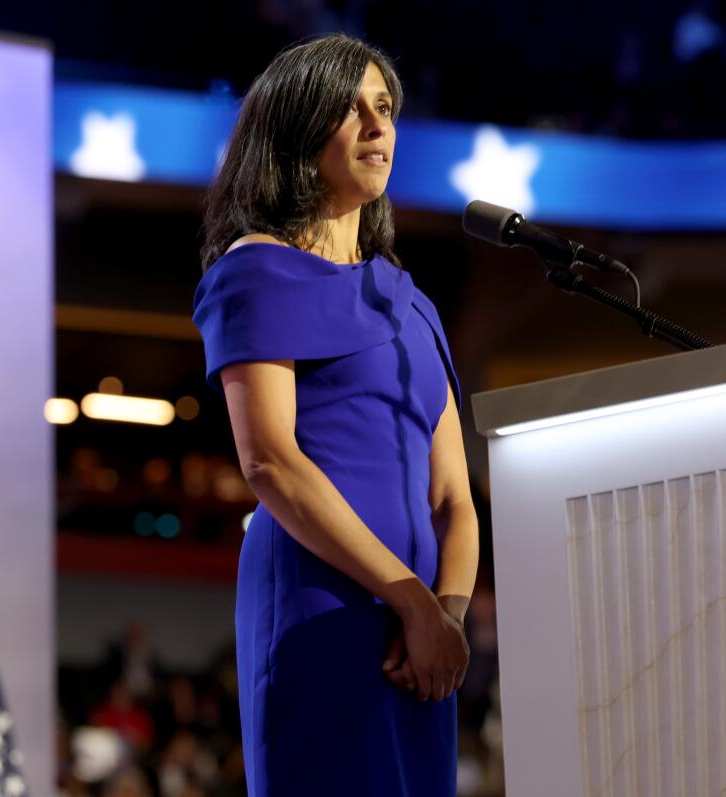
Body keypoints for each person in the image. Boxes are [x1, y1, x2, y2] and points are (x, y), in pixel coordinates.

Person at [192, 33, 479, 796]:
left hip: (418, 641)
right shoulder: (255, 270)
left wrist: (443, 621)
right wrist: (412, 600)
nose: (377, 126)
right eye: (350, 109)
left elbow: (453, 495)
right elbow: (271, 462)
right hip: (323, 609)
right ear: (297, 126)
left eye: (384, 107)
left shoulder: (411, 303)